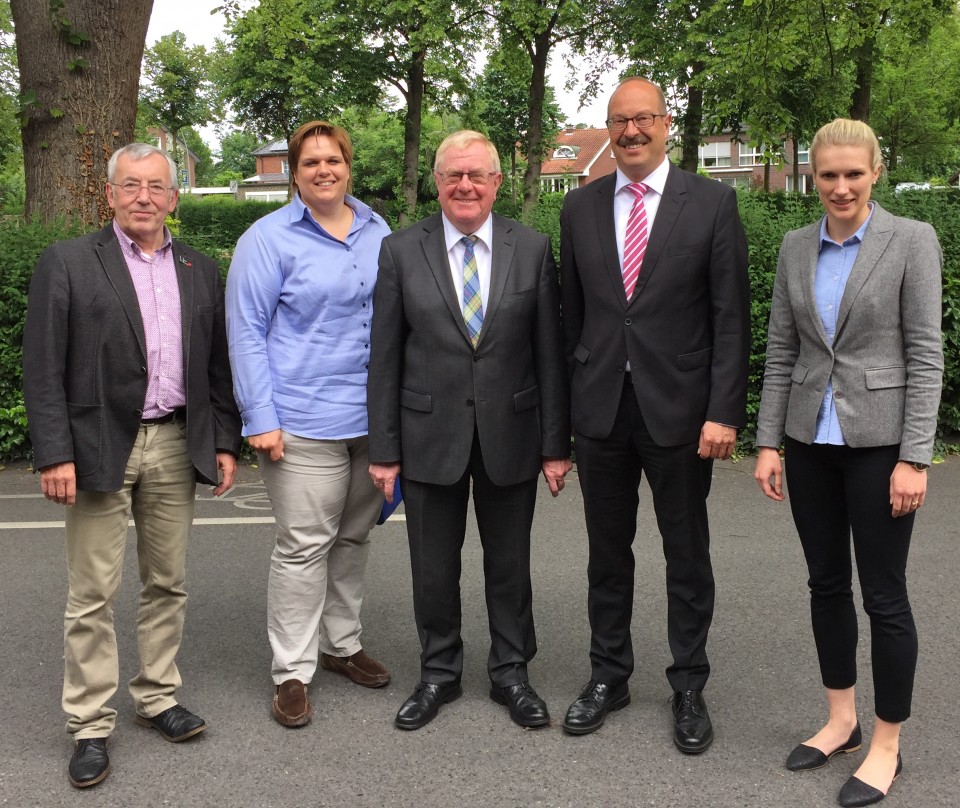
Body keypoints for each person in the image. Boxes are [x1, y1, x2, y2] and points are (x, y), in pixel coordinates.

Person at [22, 143, 242, 789]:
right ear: (110, 195)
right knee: (92, 594)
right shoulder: (66, 262)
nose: (143, 197)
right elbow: (43, 366)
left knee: (167, 582)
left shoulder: (202, 269)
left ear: (174, 198)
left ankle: (156, 698)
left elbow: (218, 367)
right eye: (130, 186)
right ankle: (90, 724)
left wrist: (224, 440)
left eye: (156, 186)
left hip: (176, 441)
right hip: (96, 445)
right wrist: (55, 450)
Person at [754, 118, 943, 807]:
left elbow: (926, 354)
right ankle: (841, 718)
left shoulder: (911, 241)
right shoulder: (794, 247)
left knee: (884, 595)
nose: (839, 187)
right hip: (809, 443)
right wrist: (769, 441)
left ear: (876, 172)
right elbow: (781, 352)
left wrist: (914, 458)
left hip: (882, 447)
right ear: (813, 175)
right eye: (827, 174)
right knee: (825, 584)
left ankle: (886, 743)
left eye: (852, 174)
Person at [558, 77, 750, 752]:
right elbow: (572, 319)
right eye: (619, 121)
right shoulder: (579, 209)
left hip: (682, 412)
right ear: (607, 128)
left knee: (686, 554)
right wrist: (567, 422)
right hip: (603, 410)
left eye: (643, 119)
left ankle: (689, 685)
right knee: (607, 556)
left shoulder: (714, 204)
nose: (631, 131)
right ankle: (608, 675)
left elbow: (731, 318)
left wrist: (725, 411)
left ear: (666, 124)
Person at [367, 130, 571, 731]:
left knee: (511, 565)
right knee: (432, 567)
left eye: (477, 175)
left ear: (497, 182)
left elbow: (549, 355)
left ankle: (512, 673)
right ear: (437, 182)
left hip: (513, 433)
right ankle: (438, 673)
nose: (465, 186)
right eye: (453, 175)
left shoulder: (531, 247)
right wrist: (384, 450)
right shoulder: (401, 251)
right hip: (428, 436)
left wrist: (556, 445)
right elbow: (384, 358)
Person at [226, 121, 392, 730]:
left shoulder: (379, 230)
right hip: (301, 421)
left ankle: (341, 646)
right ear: (294, 173)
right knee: (302, 549)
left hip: (372, 422)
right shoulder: (266, 239)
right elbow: (245, 331)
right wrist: (260, 417)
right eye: (310, 161)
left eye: (334, 159)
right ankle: (291, 672)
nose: (324, 170)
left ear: (350, 166)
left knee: (354, 538)